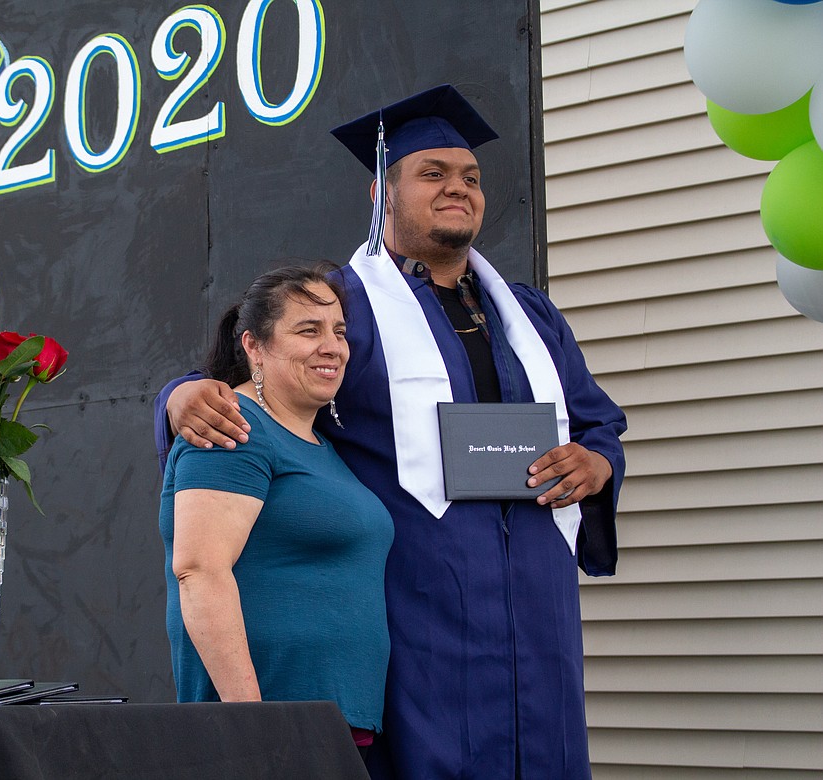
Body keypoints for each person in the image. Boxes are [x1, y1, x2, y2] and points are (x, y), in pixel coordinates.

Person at [154, 86, 627, 779]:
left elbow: (596, 419)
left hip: (537, 599)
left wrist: (596, 461)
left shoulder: (529, 315)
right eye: (432, 173)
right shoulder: (347, 304)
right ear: (382, 194)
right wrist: (179, 397)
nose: (457, 188)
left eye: (470, 177)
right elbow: (244, 376)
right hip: (423, 602)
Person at [158, 264, 394, 750]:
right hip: (269, 730)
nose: (332, 346)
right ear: (254, 347)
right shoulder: (234, 428)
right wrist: (252, 724)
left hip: (327, 723)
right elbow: (199, 572)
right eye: (308, 330)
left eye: (339, 331)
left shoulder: (320, 445)